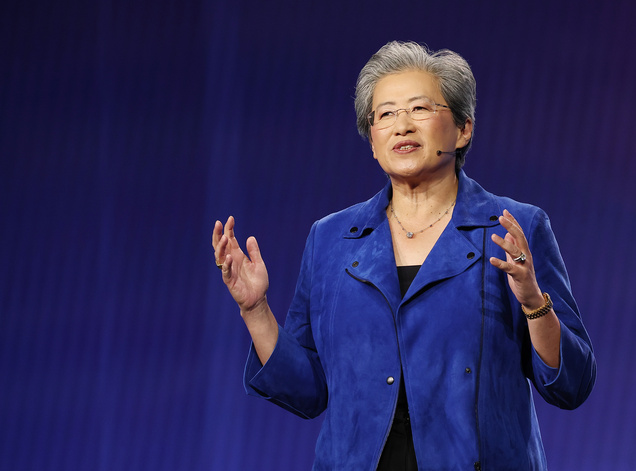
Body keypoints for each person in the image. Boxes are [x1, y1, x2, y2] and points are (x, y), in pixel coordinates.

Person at [212, 41, 595, 470]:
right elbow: (307, 393)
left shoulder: (513, 228)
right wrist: (256, 310)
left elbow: (572, 385)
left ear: (463, 129)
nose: (402, 126)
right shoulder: (331, 239)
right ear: (373, 142)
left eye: (420, 109)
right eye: (386, 114)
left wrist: (533, 302)